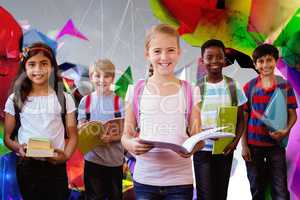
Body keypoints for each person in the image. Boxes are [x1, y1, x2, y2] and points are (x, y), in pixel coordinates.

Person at [121, 23, 203, 200]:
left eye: (171, 50)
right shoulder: (135, 90)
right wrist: (131, 145)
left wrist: (193, 146)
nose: (164, 57)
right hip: (145, 181)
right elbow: (125, 135)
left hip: (180, 182)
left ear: (179, 53)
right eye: (157, 51)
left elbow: (198, 137)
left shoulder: (190, 90)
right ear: (147, 54)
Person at [3, 42, 78, 200]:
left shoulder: (64, 98)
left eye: (44, 64)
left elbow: (73, 135)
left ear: (52, 67)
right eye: (32, 65)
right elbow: (8, 138)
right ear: (25, 68)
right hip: (28, 167)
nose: (38, 70)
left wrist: (65, 156)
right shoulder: (15, 99)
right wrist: (19, 148)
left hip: (56, 165)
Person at [242, 43, 298, 200]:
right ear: (255, 64)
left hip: (276, 147)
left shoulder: (284, 85)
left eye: (269, 60)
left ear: (276, 61)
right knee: (257, 188)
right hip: (253, 148)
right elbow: (244, 118)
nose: (265, 65)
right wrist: (244, 145)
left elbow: (293, 114)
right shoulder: (249, 87)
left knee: (280, 190)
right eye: (260, 61)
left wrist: (285, 130)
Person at [193, 39, 247, 200]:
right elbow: (191, 121)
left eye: (219, 56)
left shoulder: (233, 86)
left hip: (225, 150)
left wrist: (235, 142)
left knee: (220, 194)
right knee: (206, 195)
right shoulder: (196, 87)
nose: (215, 61)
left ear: (225, 59)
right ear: (203, 61)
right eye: (210, 57)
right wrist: (203, 133)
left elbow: (241, 118)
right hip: (202, 150)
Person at [77, 59, 124, 200]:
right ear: (91, 77)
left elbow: (126, 132)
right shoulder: (86, 101)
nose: (102, 80)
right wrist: (84, 128)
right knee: (93, 197)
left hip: (114, 162)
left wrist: (113, 138)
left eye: (107, 76)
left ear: (113, 78)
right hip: (92, 161)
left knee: (115, 196)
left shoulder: (119, 102)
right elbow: (80, 128)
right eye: (97, 76)